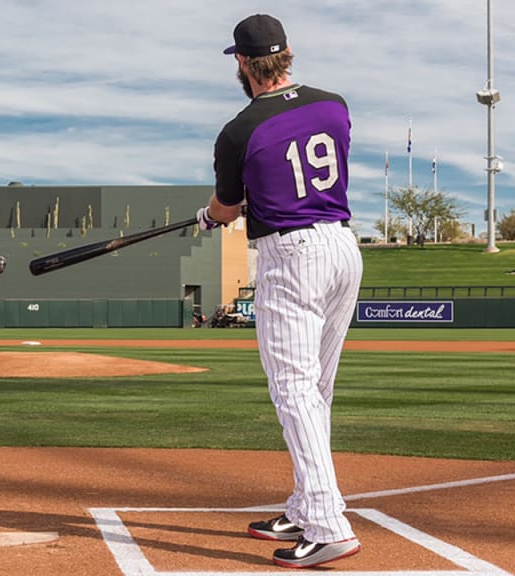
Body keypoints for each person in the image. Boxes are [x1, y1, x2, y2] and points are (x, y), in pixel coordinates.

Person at [196, 14, 363, 569]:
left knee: (294, 391)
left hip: (292, 257)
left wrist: (210, 216)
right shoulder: (334, 104)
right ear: (287, 53)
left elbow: (227, 206)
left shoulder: (237, 131)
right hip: (342, 247)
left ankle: (327, 523)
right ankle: (304, 502)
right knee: (315, 389)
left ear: (242, 63)